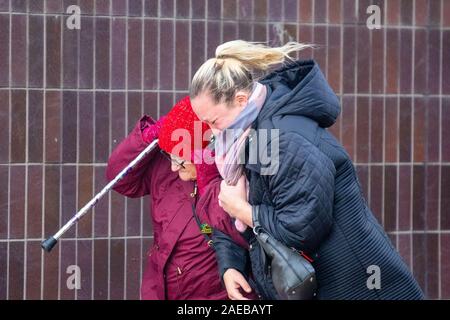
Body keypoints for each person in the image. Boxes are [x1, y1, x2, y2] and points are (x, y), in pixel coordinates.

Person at [189, 40, 424, 300]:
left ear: (241, 100)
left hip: (355, 286)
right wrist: (230, 264)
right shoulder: (244, 136)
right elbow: (235, 208)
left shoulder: (283, 138)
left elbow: (301, 228)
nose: (211, 131)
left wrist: (242, 211)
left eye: (214, 121)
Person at [105, 96, 248, 300]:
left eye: (181, 161)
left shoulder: (230, 173)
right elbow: (118, 179)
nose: (173, 167)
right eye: (169, 155)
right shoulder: (166, 166)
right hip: (158, 289)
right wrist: (148, 136)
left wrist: (205, 175)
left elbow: (230, 228)